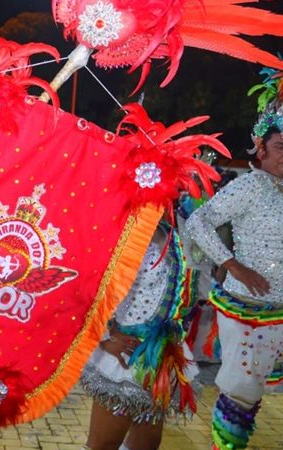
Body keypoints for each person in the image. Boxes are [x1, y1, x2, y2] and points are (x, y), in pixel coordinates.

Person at [184, 76, 283, 449]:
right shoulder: (250, 185)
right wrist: (233, 265)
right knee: (240, 391)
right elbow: (198, 221)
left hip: (279, 310)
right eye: (280, 146)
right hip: (247, 308)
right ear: (260, 149)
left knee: (251, 393)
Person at [81, 224, 199, 450]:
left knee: (147, 443)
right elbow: (87, 287)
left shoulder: (175, 230)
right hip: (124, 357)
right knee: (104, 444)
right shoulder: (120, 229)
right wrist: (105, 337)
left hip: (160, 359)